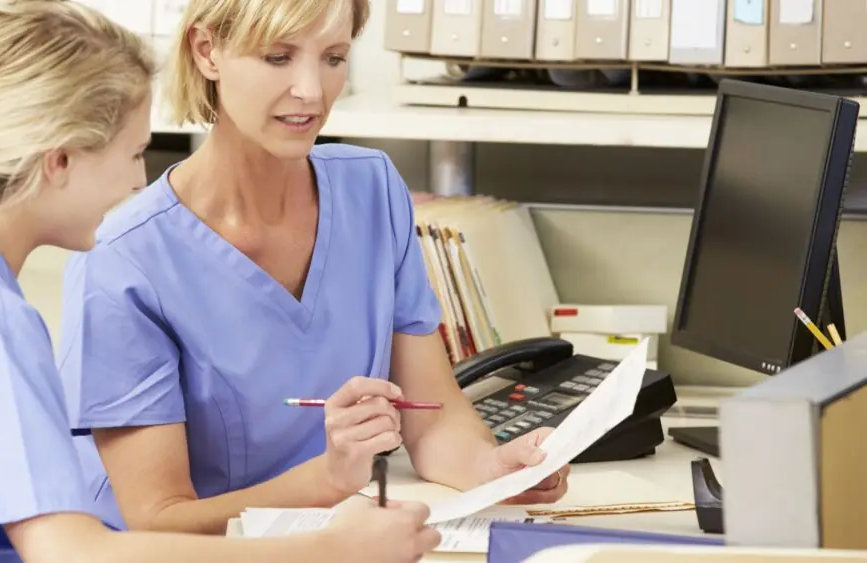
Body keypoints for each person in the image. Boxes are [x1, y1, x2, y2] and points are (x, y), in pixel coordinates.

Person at [0, 1, 441, 562]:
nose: (138, 184)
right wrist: (331, 551)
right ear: (61, 162)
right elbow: (73, 552)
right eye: (135, 154)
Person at [56, 0, 571, 536]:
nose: (312, 90)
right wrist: (330, 477)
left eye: (333, 57)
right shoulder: (124, 260)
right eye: (278, 57)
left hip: (331, 535)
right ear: (207, 51)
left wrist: (493, 471)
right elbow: (158, 520)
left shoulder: (372, 188)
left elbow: (433, 417)